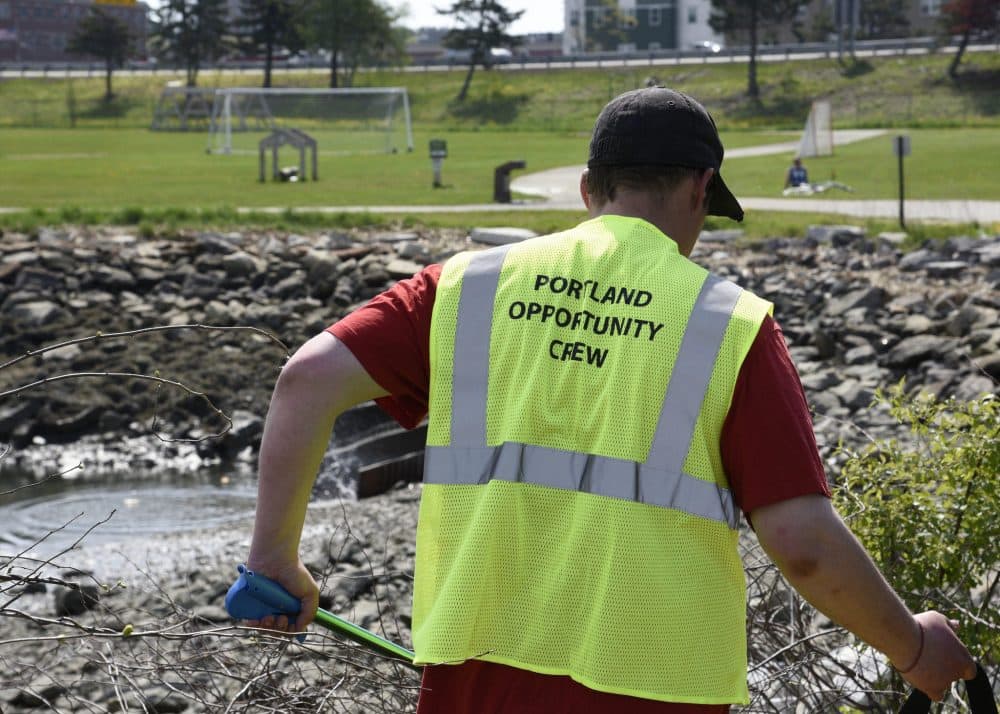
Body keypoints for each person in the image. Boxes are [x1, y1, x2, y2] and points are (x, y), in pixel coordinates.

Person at [243, 87, 976, 712]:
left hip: (472, 675)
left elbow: (306, 379)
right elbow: (804, 548)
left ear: (591, 190)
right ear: (700, 190)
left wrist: (275, 557)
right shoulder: (728, 324)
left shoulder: (467, 285)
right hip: (656, 687)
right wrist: (912, 648)